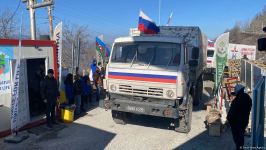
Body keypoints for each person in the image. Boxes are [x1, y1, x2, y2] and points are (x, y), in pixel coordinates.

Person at [227, 84, 252, 150]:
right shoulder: (247, 97)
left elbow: (231, 113)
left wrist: (229, 119)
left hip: (236, 123)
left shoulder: (236, 101)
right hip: (244, 121)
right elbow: (250, 106)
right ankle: (240, 147)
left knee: (237, 137)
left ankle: (239, 148)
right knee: (241, 135)